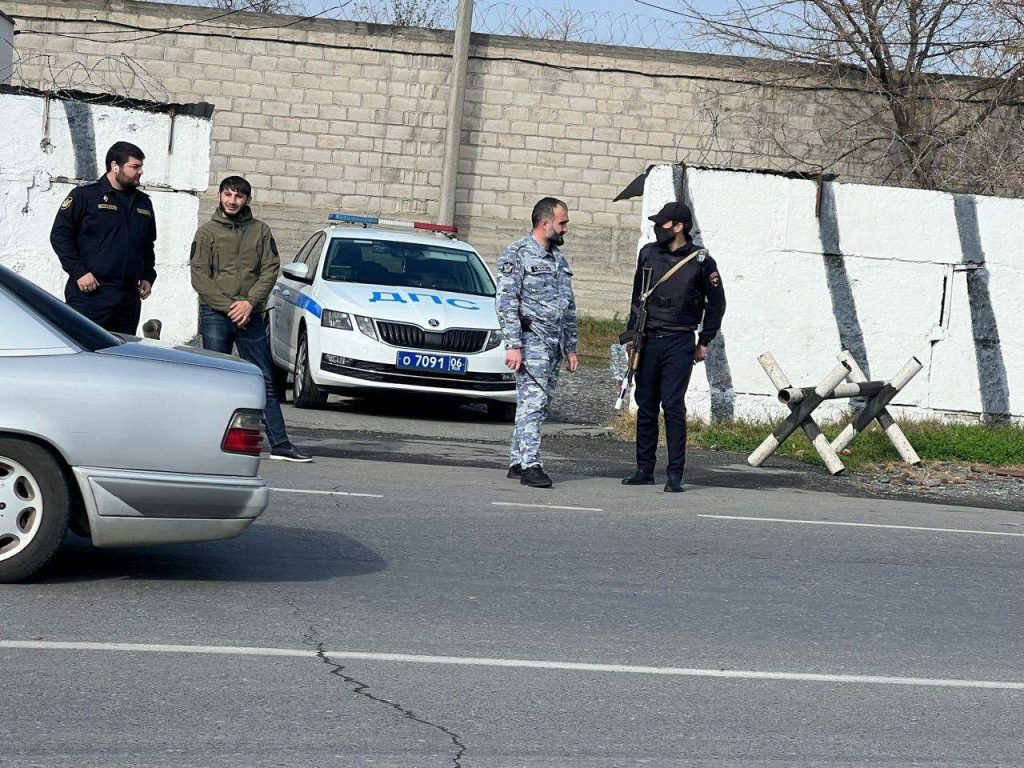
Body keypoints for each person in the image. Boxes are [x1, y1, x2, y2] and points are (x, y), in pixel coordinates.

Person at [189, 176, 312, 463]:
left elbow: (270, 270)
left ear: (248, 200)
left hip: (252, 316)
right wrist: (231, 306)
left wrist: (249, 303)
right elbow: (200, 277)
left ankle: (280, 445)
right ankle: (205, 443)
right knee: (215, 381)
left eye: (239, 196)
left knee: (263, 380)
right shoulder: (206, 233)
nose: (232, 201)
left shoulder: (261, 231)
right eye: (228, 195)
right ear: (219, 196)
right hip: (216, 315)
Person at [620, 202, 726, 492]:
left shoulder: (701, 261)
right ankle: (644, 469)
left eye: (663, 223)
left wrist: (705, 340)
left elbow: (717, 305)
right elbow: (636, 298)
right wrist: (631, 336)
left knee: (673, 407)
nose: (658, 228)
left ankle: (675, 474)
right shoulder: (648, 254)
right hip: (648, 339)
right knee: (646, 404)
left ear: (678, 226)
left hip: (679, 341)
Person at [496, 197, 579, 488]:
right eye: (562, 222)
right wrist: (513, 344)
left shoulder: (558, 260)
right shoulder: (516, 255)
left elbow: (567, 306)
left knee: (538, 404)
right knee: (533, 403)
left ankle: (518, 460)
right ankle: (532, 465)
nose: (566, 228)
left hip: (554, 345)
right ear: (545, 224)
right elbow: (506, 303)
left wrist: (571, 347)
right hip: (531, 343)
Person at [50, 141, 157, 334]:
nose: (140, 171)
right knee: (85, 354)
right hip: (91, 294)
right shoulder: (85, 196)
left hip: (127, 298)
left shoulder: (143, 203)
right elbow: (60, 236)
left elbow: (147, 244)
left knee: (121, 356)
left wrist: (148, 276)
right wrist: (79, 272)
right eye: (135, 166)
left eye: (141, 166)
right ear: (115, 166)